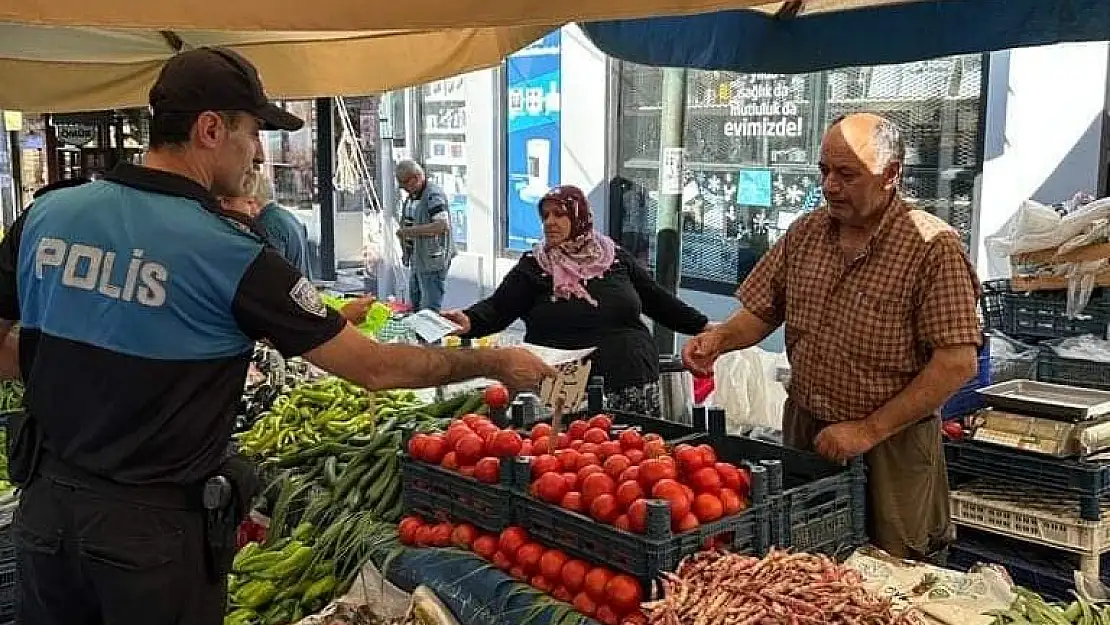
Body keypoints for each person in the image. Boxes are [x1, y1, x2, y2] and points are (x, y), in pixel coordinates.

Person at [0, 46, 554, 625]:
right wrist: (493, 363)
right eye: (254, 132)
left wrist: (60, 371)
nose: (260, 153)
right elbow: (376, 368)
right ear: (210, 130)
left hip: (44, 518)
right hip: (150, 539)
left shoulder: (48, 216)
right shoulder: (230, 252)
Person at [682, 112, 981, 561]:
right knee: (804, 563)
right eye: (824, 171)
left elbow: (957, 362)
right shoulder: (806, 232)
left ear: (890, 174)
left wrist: (867, 430)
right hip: (806, 431)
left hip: (891, 443)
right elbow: (764, 310)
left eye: (847, 175)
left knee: (891, 571)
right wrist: (720, 339)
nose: (830, 187)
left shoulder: (932, 247)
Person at [443, 185, 712, 416]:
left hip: (629, 376)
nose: (550, 222)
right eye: (545, 215)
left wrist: (702, 326)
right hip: (563, 382)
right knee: (571, 461)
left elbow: (657, 300)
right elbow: (498, 308)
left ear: (579, 217)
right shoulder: (534, 266)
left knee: (632, 461)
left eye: (559, 214)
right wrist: (468, 320)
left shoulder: (614, 258)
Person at [219, 173, 374, 325]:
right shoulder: (284, 216)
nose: (252, 211)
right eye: (248, 203)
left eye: (251, 202)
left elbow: (270, 282)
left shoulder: (268, 224)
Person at [396, 160, 454, 311]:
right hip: (417, 259)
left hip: (432, 261)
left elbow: (442, 225)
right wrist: (406, 252)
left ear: (416, 178)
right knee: (415, 301)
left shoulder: (433, 195)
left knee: (429, 307)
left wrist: (408, 232)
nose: (404, 189)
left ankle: (429, 335)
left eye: (404, 184)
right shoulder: (413, 196)